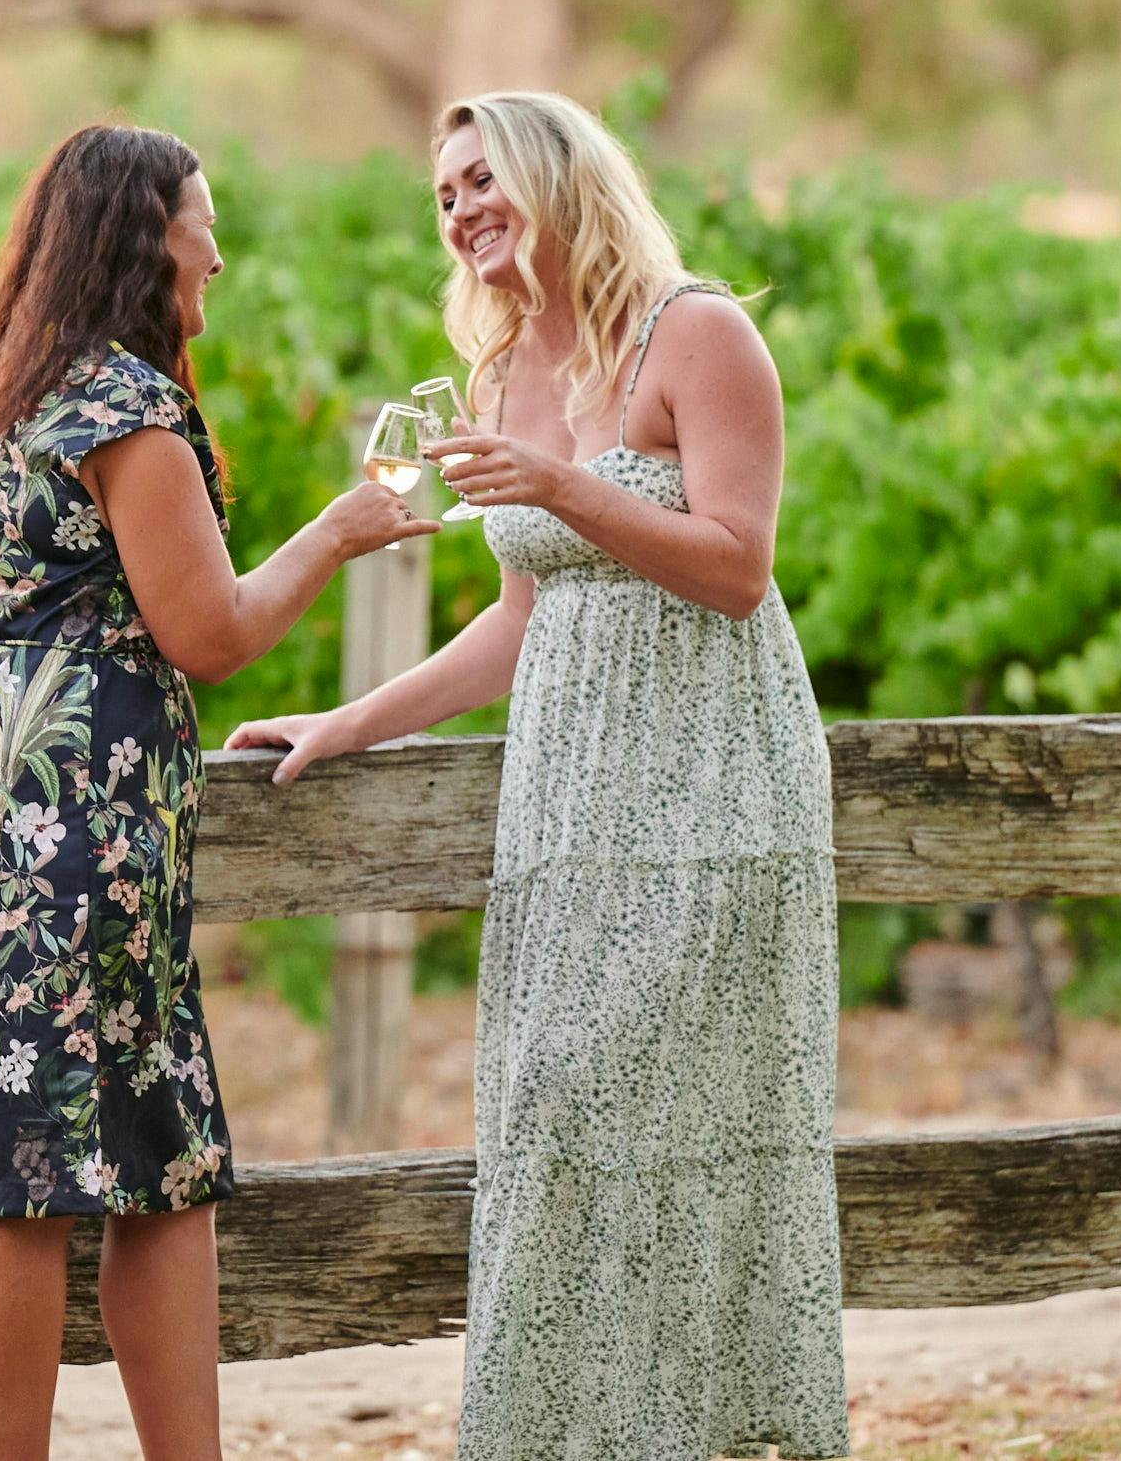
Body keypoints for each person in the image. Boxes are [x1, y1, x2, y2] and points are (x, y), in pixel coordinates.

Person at [226, 91, 849, 1460]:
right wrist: (349, 720)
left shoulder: (698, 332)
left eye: (479, 176)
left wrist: (560, 488)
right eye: (442, 193)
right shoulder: (503, 374)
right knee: (556, 1110)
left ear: (558, 176)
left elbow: (739, 569)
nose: (459, 209)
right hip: (572, 798)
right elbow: (518, 620)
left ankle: (701, 1430)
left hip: (714, 782)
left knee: (689, 1114)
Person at [0, 122, 433, 1461]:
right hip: (74, 812)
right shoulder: (127, 411)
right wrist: (341, 529)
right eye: (205, 219)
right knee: (72, 1175)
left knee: (108, 1161)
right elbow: (209, 631)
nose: (219, 247)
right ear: (147, 234)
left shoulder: (5, 388)